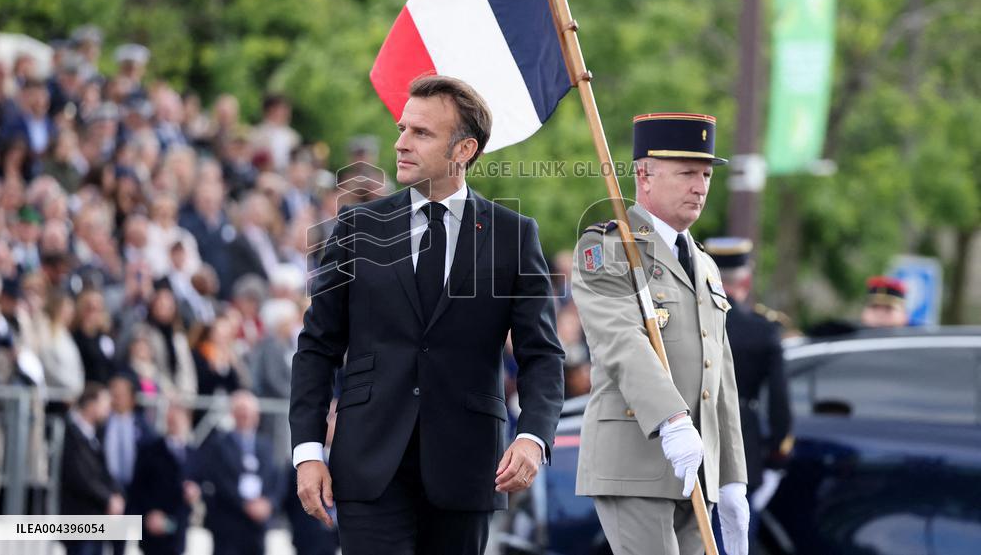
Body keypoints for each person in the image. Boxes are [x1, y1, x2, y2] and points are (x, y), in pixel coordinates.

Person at [290, 75, 565, 555]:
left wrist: (532, 438)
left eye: (421, 133)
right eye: (402, 129)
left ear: (464, 150)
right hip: (367, 466)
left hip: (468, 469)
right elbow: (317, 346)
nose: (400, 144)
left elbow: (542, 355)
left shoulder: (514, 235)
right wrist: (308, 452)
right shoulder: (356, 227)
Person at [571, 112, 749, 555]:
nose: (701, 186)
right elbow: (620, 342)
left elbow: (719, 374)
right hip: (636, 458)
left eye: (706, 174)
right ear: (644, 174)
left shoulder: (705, 263)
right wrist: (672, 421)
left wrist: (731, 478)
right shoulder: (608, 247)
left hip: (697, 466)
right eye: (687, 172)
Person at [704, 237, 793, 551]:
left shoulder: (685, 321)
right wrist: (776, 456)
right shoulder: (763, 329)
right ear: (746, 279)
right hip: (744, 445)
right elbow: (780, 403)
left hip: (692, 436)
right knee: (734, 536)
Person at [198, 391, 282, 555]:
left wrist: (269, 503)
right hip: (229, 524)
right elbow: (218, 479)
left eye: (249, 412)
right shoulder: (219, 445)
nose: (245, 415)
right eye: (241, 411)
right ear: (233, 414)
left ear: (257, 415)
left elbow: (276, 479)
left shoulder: (267, 446)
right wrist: (244, 504)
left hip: (257, 525)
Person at [127, 402, 202, 555]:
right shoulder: (150, 450)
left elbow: (201, 484)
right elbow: (137, 488)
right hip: (153, 528)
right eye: (171, 418)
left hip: (178, 529)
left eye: (178, 418)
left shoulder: (193, 454)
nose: (174, 422)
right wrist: (147, 515)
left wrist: (195, 493)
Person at [59, 383, 124, 555]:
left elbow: (105, 471)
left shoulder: (94, 435)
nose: (108, 409)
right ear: (90, 404)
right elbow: (80, 476)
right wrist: (108, 499)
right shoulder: (70, 433)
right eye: (104, 404)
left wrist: (116, 495)